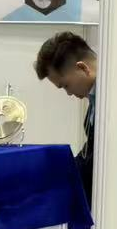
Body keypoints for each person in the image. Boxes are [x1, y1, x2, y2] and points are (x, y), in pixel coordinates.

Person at [33, 31, 97, 207]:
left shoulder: (114, 103)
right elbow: (90, 153)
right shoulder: (95, 101)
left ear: (82, 68)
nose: (68, 93)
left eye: (66, 85)